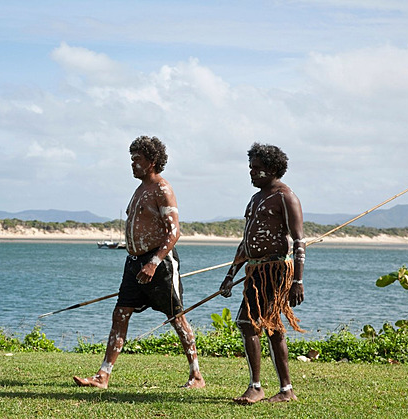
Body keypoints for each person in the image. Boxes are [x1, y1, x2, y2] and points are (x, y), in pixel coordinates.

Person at [73, 135, 205, 389]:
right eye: (131, 159)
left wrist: (154, 262)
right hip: (133, 262)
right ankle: (103, 376)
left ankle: (196, 375)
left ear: (152, 161)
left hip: (159, 264)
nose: (133, 164)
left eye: (138, 159)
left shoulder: (162, 189)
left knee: (176, 317)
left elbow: (174, 232)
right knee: (120, 314)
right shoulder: (139, 189)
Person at [219, 142, 305, 404]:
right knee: (272, 328)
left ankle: (258, 387)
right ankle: (285, 390)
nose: (251, 173)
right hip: (255, 270)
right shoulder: (256, 199)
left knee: (250, 323)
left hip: (277, 270)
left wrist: (297, 281)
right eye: (250, 168)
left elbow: (299, 241)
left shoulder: (285, 197)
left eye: (257, 168)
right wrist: (230, 276)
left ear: (273, 168)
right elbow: (246, 242)